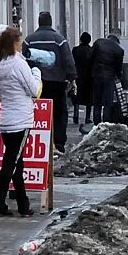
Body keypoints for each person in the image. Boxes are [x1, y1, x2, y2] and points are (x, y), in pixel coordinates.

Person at [0, 27, 41, 217]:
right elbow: (34, 90)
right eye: (20, 41)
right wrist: (36, 73)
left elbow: (0, 95)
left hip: (6, 120)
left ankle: (23, 205)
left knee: (17, 163)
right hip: (21, 119)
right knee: (11, 163)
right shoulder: (19, 64)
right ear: (15, 43)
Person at [25, 11, 76, 154]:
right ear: (51, 22)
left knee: (38, 113)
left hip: (36, 83)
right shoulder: (59, 39)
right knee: (59, 113)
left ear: (39, 22)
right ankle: (58, 143)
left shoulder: (29, 40)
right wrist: (71, 78)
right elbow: (67, 59)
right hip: (57, 82)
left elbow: (23, 59)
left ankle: (39, 142)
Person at [90, 33, 125, 126]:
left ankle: (96, 123)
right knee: (107, 102)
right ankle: (106, 123)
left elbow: (90, 57)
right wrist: (119, 78)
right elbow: (119, 67)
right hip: (109, 78)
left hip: (97, 76)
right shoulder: (119, 50)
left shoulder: (98, 43)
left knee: (97, 101)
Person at [72, 31, 94, 132]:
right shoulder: (91, 51)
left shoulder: (75, 50)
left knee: (76, 97)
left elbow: (73, 62)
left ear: (81, 39)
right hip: (89, 77)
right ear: (89, 40)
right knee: (89, 98)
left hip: (77, 76)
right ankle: (87, 117)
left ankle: (75, 115)